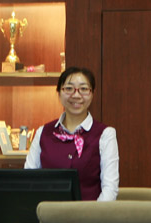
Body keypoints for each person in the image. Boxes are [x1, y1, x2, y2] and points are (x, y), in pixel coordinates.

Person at [25, 67, 119, 201]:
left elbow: (110, 189)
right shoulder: (43, 132)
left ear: (92, 94)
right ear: (59, 93)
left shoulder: (106, 134)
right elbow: (28, 180)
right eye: (69, 89)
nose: (76, 95)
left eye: (84, 89)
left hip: (89, 213)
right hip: (49, 213)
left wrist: (93, 213)